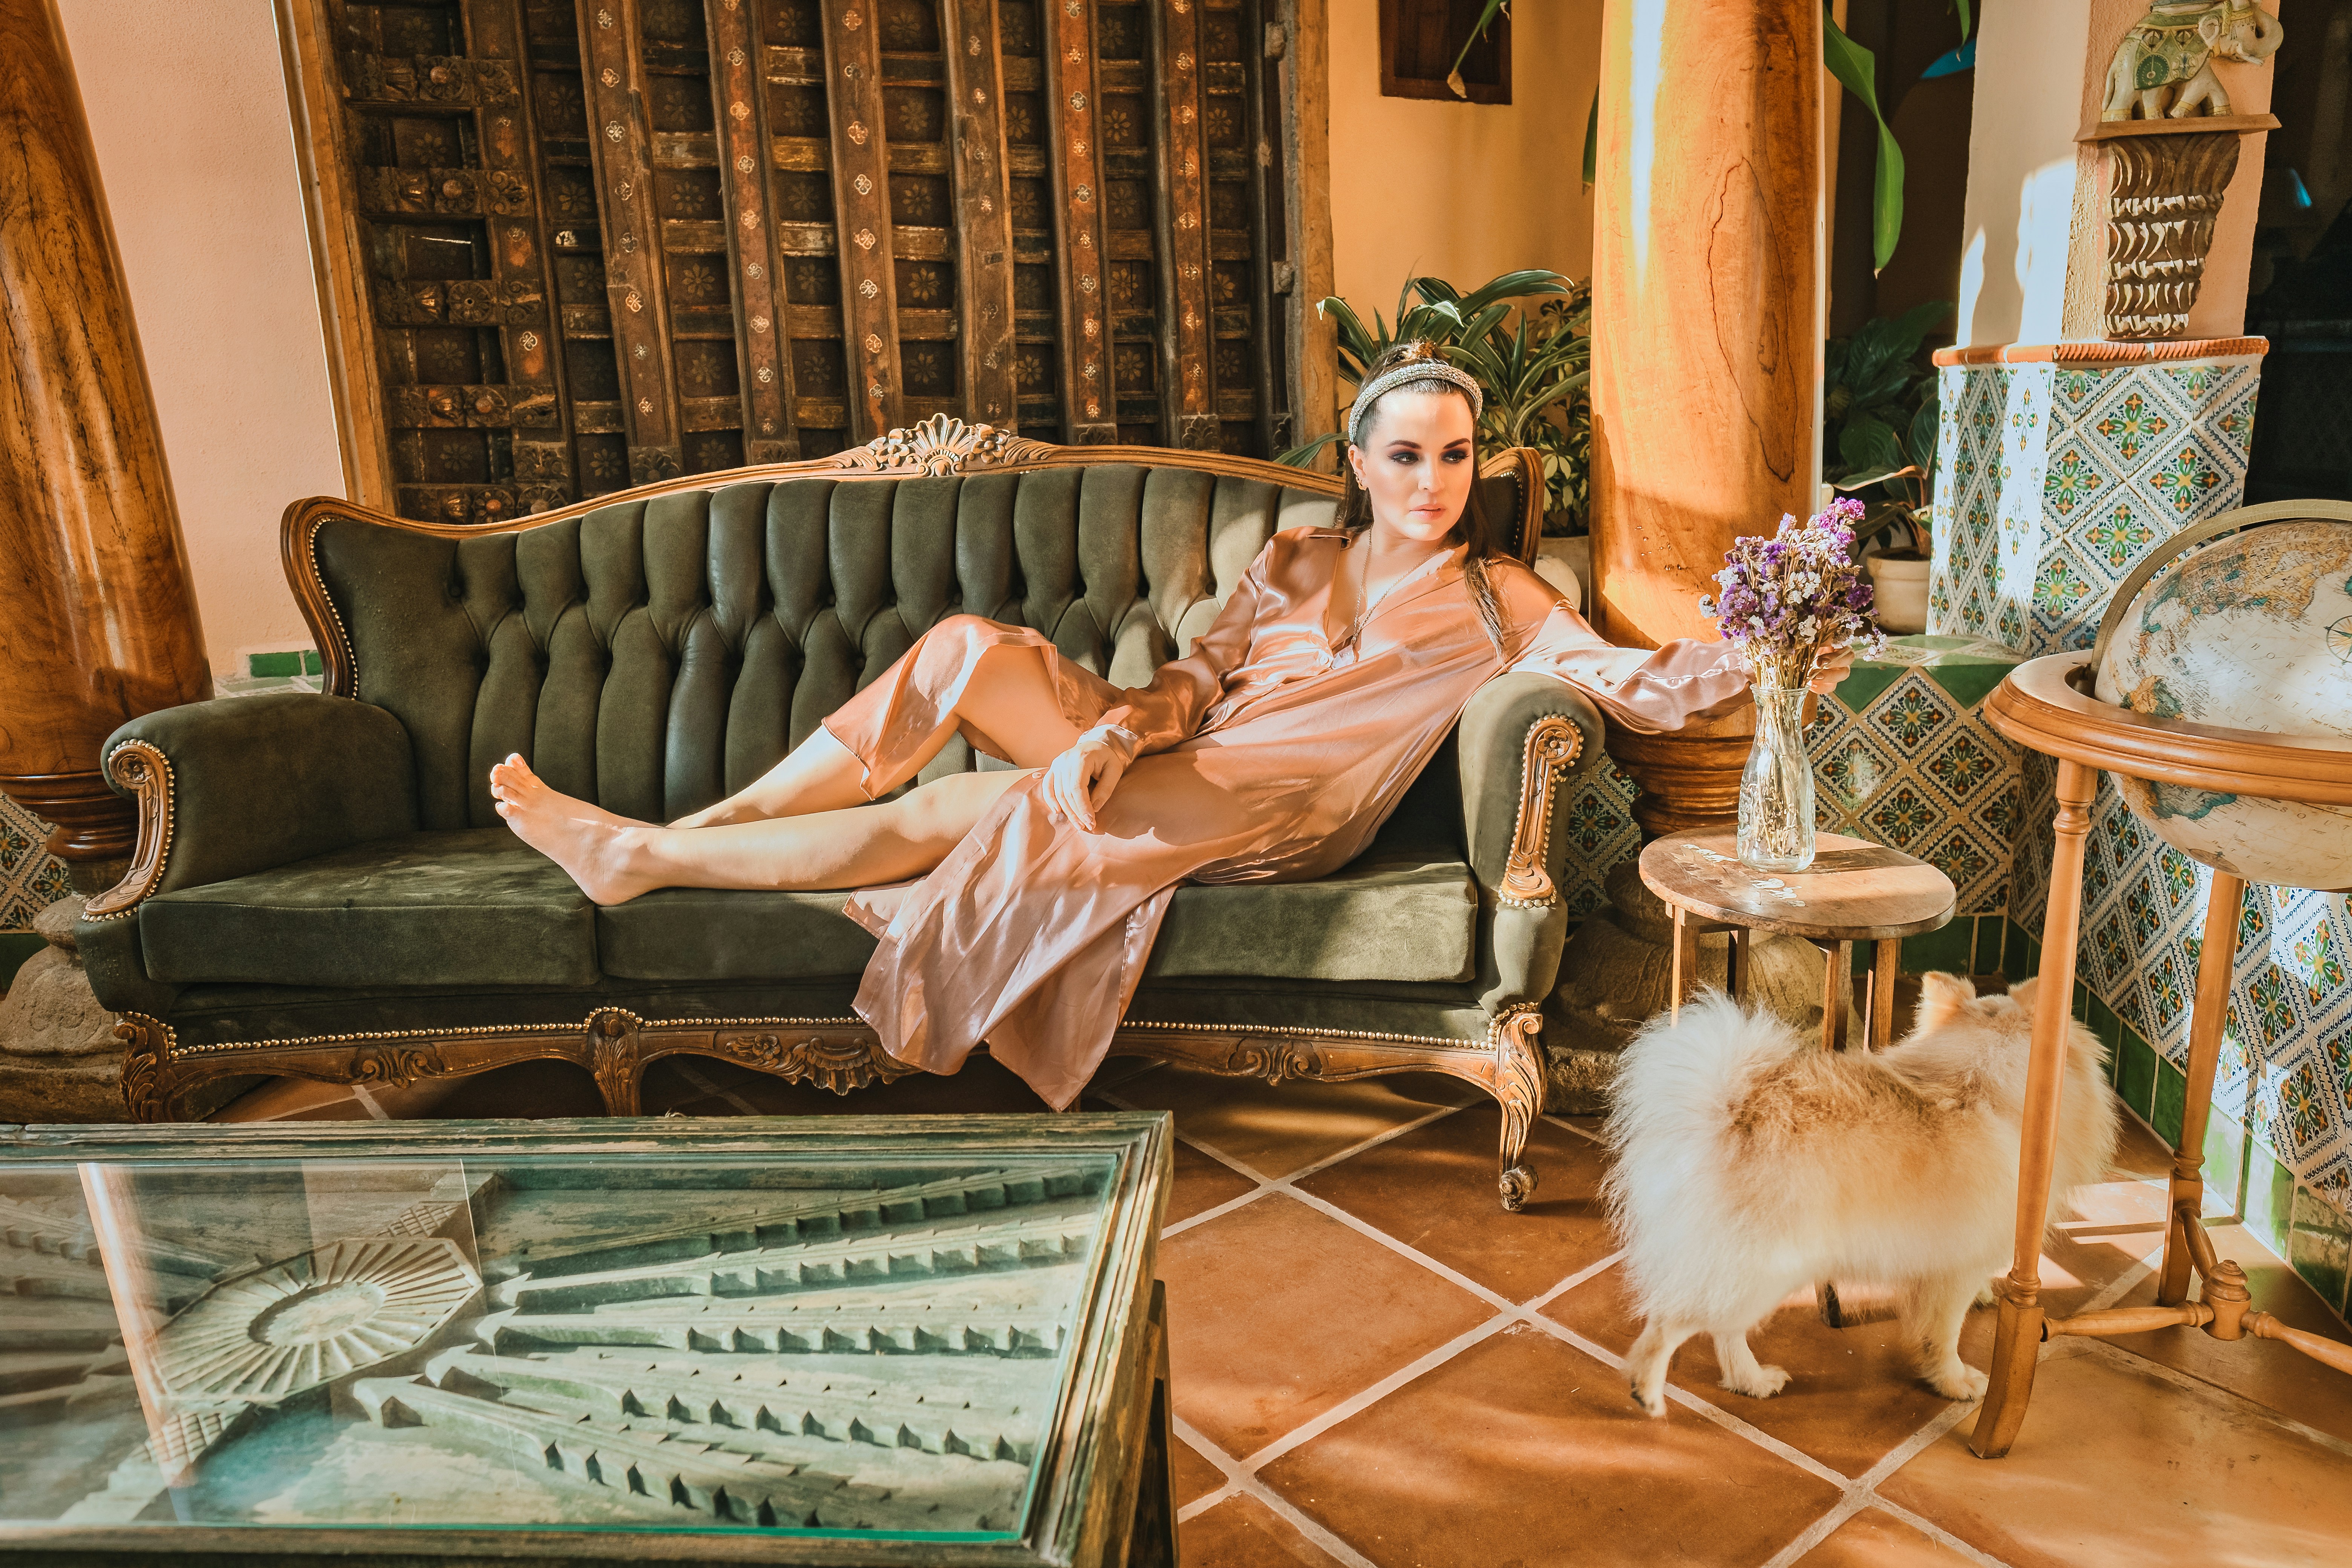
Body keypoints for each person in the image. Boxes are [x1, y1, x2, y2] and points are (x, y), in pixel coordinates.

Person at [490, 341, 1853, 1107]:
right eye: (1405, 454)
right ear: (1361, 463)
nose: (1432, 479)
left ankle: (641, 859)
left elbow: (1638, 681)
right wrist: (1118, 730)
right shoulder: (1303, 562)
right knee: (968, 649)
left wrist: (1778, 646)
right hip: (1191, 752)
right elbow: (1197, 675)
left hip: (1282, 814)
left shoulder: (1504, 598)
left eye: (1454, 455)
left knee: (958, 815)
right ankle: (694, 831)